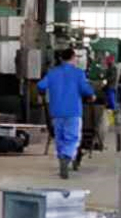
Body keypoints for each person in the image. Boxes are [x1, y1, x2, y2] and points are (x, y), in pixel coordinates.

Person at [38, 49, 96, 179]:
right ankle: (67, 157)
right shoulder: (78, 73)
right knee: (72, 138)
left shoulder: (52, 72)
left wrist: (44, 92)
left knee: (60, 138)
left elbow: (41, 85)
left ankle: (61, 158)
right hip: (73, 111)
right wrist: (92, 95)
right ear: (73, 58)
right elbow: (85, 89)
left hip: (56, 111)